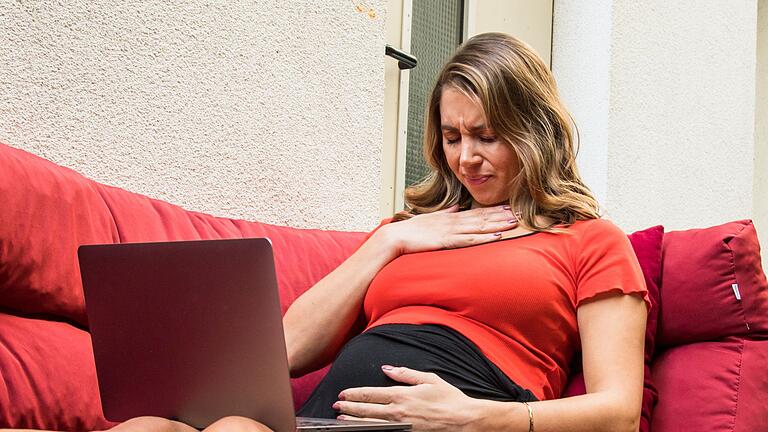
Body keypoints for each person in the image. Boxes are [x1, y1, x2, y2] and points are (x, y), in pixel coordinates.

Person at [108, 32, 648, 432]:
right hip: (332, 420)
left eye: (486, 136)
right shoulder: (409, 232)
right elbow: (287, 350)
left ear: (534, 132)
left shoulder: (589, 240)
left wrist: (480, 418)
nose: (466, 158)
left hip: (463, 417)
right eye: (452, 136)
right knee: (154, 427)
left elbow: (619, 412)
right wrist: (390, 241)